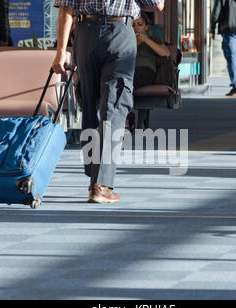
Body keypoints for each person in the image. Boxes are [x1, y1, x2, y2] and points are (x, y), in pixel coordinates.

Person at [52, 0, 165, 204]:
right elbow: (157, 5)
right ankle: (100, 183)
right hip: (119, 32)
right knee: (114, 107)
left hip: (85, 33)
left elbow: (66, 8)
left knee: (90, 104)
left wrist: (60, 52)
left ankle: (94, 172)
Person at [126, 13, 171, 131]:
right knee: (120, 81)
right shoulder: (125, 39)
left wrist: (145, 39)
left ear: (146, 26)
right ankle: (127, 117)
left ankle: (126, 117)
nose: (136, 27)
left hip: (145, 70)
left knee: (125, 84)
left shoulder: (153, 39)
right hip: (127, 70)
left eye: (139, 24)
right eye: (133, 25)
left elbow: (166, 53)